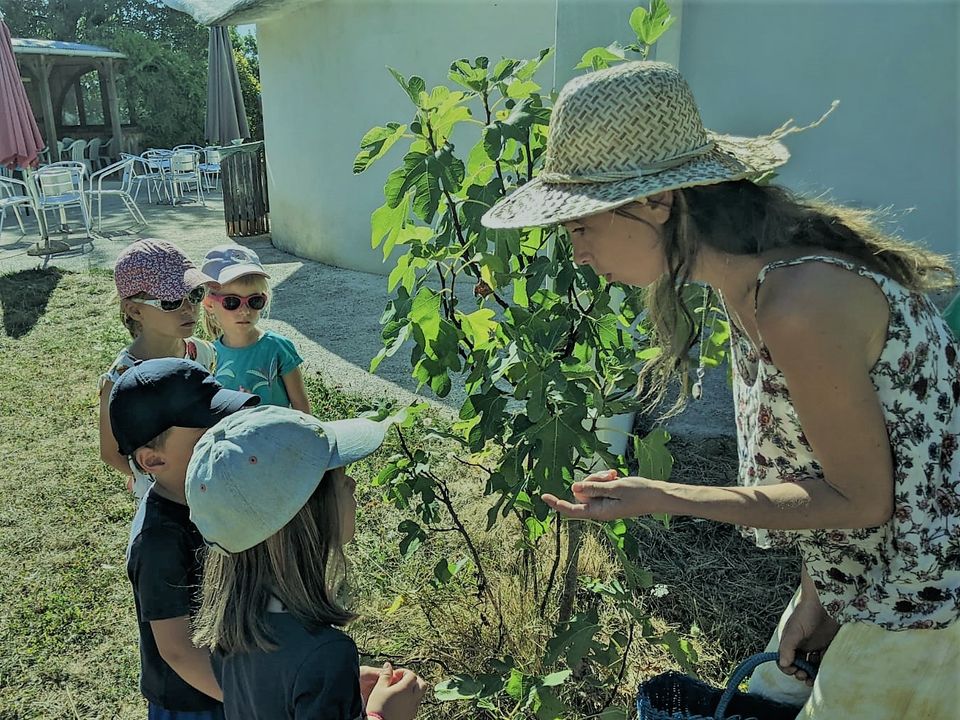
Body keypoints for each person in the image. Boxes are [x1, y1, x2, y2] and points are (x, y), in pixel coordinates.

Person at [482, 61, 960, 719]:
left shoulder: (797, 303)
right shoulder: (754, 287)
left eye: (581, 226)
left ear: (657, 202)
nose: (579, 253)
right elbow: (838, 466)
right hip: (883, 584)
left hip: (932, 606)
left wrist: (660, 495)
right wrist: (819, 600)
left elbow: (864, 496)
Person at [186, 405, 428, 720]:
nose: (351, 484)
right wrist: (384, 716)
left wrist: (335, 693)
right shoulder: (325, 654)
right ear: (308, 516)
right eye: (338, 477)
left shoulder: (233, 625)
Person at [110, 358, 259, 719]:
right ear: (152, 460)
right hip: (196, 701)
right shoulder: (159, 539)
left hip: (240, 676)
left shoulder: (212, 496)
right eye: (205, 434)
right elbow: (177, 649)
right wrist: (253, 700)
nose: (224, 436)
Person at [99, 239, 218, 499]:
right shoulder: (121, 378)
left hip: (209, 478)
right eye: (170, 301)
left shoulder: (202, 352)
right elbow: (109, 453)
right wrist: (156, 483)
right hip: (166, 494)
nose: (189, 308)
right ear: (134, 310)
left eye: (195, 294)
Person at [200, 244, 310, 413]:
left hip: (277, 436)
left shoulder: (278, 347)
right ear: (209, 303)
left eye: (254, 301)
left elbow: (302, 407)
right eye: (232, 302)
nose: (245, 311)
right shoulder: (209, 356)